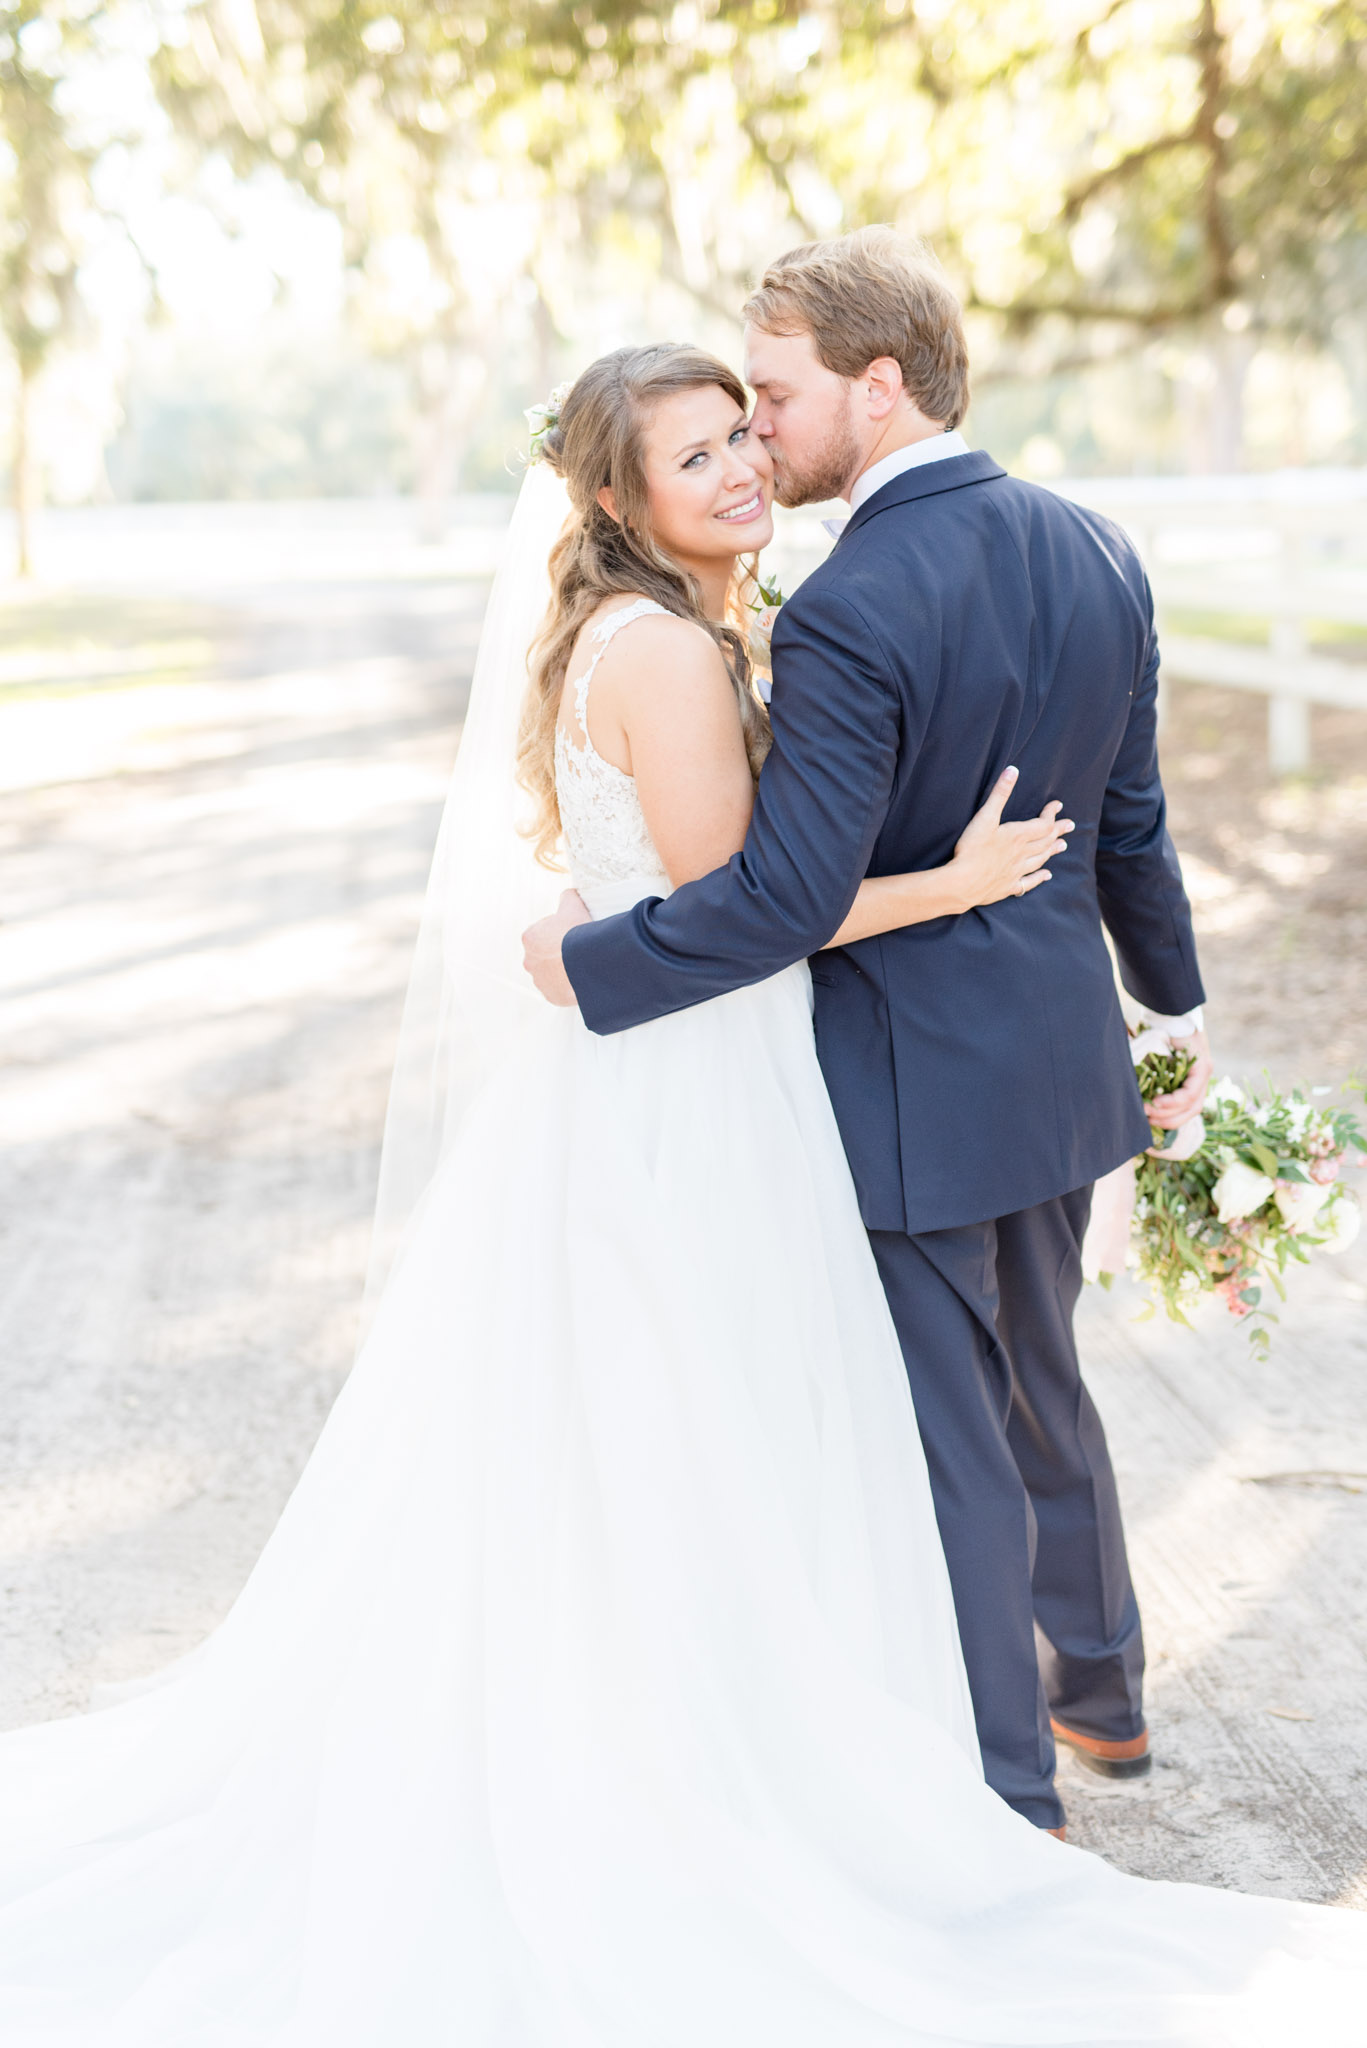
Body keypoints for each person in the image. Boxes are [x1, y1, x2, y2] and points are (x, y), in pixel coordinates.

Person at [0, 336, 1362, 2045]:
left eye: (742, 435)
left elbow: (660, 877)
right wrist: (956, 880)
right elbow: (762, 912)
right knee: (718, 1433)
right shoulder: (674, 655)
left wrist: (601, 933)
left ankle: (822, 1734)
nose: (737, 472)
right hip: (694, 1092)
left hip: (661, 1087)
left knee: (672, 1440)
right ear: (618, 500)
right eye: (696, 458)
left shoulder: (674, 633)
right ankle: (761, 1771)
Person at [523, 225, 1212, 1833]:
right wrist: (1170, 1025)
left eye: (772, 397)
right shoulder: (1099, 547)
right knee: (1047, 1378)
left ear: (877, 387)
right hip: (1056, 1073)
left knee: (950, 1430)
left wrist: (591, 961)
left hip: (911, 1089)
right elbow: (1135, 832)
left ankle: (1006, 1792)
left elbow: (779, 896)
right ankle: (1103, 1699)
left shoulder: (846, 604)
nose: (759, 431)